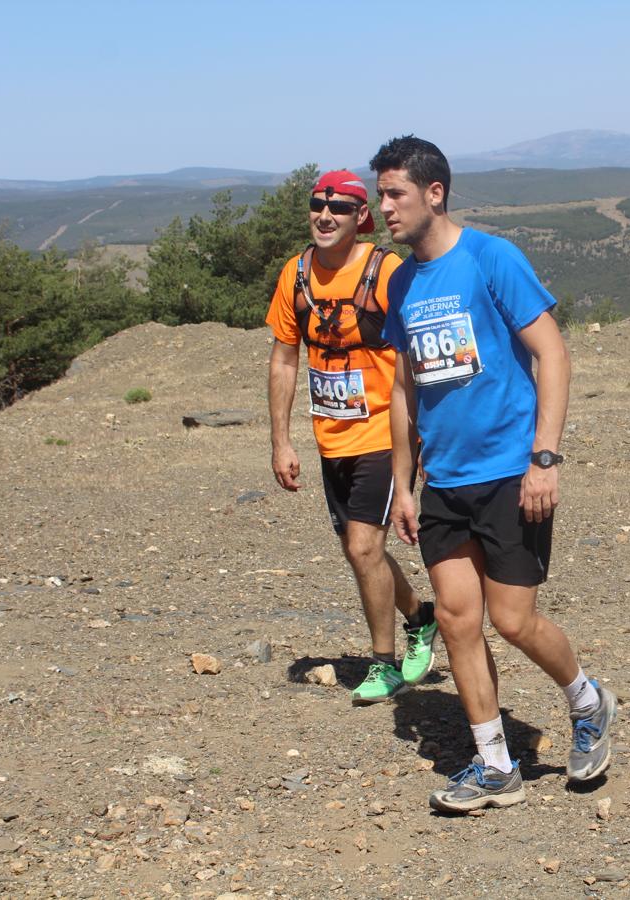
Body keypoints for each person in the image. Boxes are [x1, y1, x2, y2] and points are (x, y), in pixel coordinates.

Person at [372, 136, 616, 813]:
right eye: (381, 193)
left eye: (395, 193)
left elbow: (553, 355)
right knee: (455, 617)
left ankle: (589, 701)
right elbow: (404, 387)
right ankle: (494, 765)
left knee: (513, 619)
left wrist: (545, 458)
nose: (383, 207)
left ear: (435, 193)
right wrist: (403, 482)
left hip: (511, 470)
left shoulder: (490, 259)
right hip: (444, 480)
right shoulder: (400, 280)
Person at [266, 169, 438, 705]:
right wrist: (281, 440)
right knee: (357, 549)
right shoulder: (295, 276)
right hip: (330, 437)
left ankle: (382, 664)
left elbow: (420, 353)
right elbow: (284, 359)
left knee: (365, 546)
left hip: (386, 434)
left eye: (339, 207)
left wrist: (426, 437)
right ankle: (420, 615)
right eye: (318, 204)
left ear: (360, 217)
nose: (325, 215)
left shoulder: (387, 272)